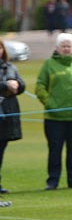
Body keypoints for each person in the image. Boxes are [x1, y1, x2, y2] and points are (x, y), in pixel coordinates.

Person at [35, 32, 72, 190]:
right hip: (54, 117)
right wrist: (49, 103)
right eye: (63, 46)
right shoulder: (48, 64)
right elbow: (40, 86)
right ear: (57, 48)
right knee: (55, 149)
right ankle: (52, 180)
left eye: (69, 46)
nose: (66, 49)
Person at [0, 40, 26, 195]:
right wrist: (5, 85)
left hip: (7, 115)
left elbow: (22, 84)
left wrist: (17, 84)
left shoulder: (10, 67)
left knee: (1, 150)